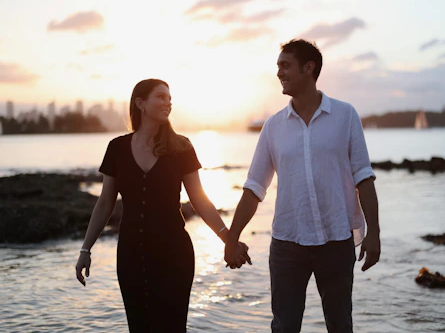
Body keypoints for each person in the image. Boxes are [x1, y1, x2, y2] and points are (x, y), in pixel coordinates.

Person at [224, 40, 380, 332]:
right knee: (284, 327)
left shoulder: (346, 116)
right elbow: (254, 187)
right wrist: (232, 237)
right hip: (287, 244)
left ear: (309, 68)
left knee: (340, 325)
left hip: (336, 239)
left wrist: (374, 233)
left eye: (285, 65)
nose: (279, 72)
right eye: (278, 66)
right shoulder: (273, 126)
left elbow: (363, 177)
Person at [75, 79, 251, 332]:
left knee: (173, 327)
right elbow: (105, 204)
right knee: (139, 326)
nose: (168, 102)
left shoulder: (181, 147)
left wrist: (228, 238)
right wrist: (85, 249)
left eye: (169, 97)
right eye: (160, 96)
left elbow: (199, 200)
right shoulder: (117, 148)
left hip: (174, 254)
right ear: (140, 103)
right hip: (131, 254)